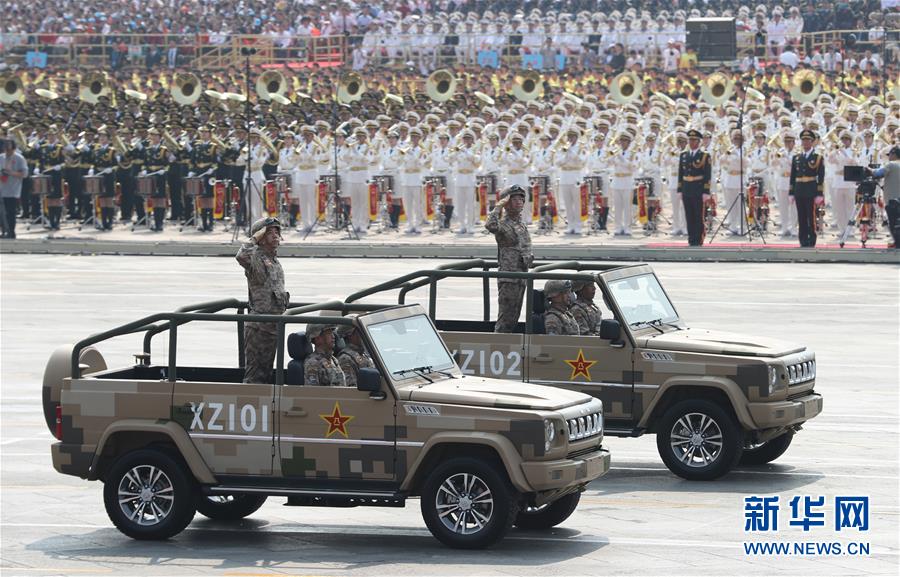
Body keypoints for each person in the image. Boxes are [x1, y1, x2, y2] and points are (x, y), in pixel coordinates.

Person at [235, 217, 289, 384]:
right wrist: (254, 239)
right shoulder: (256, 256)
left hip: (273, 326)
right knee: (255, 375)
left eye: (276, 232)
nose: (275, 235)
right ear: (261, 237)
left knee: (266, 373)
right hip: (259, 327)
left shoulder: (274, 261)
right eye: (269, 232)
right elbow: (240, 256)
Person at [486, 185, 533, 333]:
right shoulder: (503, 225)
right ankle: (498, 345)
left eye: (521, 198)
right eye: (513, 198)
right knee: (505, 320)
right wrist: (498, 206)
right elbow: (490, 225)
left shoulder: (520, 224)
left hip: (521, 276)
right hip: (509, 277)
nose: (518, 201)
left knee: (514, 318)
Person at [789, 129, 825, 248]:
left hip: (811, 189)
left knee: (811, 216)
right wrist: (791, 192)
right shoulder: (797, 158)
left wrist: (820, 193)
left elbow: (821, 176)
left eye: (808, 140)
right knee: (801, 216)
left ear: (812, 142)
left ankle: (811, 239)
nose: (805, 143)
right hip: (799, 189)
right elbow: (793, 176)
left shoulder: (818, 157)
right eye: (803, 140)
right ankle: (803, 239)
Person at [678, 129, 712, 246]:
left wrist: (706, 191)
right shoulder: (683, 155)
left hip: (698, 188)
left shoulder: (704, 156)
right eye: (690, 140)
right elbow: (680, 174)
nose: (692, 143)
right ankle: (691, 238)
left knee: (698, 215)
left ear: (699, 142)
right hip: (687, 188)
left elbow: (707, 174)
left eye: (694, 140)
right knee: (689, 215)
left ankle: (698, 239)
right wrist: (680, 189)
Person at [867, 146, 900, 248]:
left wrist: (867, 169)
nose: (889, 157)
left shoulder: (891, 164)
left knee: (893, 223)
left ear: (894, 154)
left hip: (893, 200)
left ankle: (897, 243)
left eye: (889, 154)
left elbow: (877, 173)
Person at [1, 139, 28, 239]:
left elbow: (25, 174)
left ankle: (11, 231)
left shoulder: (19, 158)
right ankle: (4, 231)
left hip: (12, 189)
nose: (8, 152)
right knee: (2, 213)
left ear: (14, 149)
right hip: (1, 188)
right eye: (6, 150)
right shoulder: (1, 158)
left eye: (10, 150)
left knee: (10, 212)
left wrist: (11, 173)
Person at [336, 317, 375, 387]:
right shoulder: (346, 358)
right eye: (360, 331)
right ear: (350, 335)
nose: (364, 334)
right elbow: (351, 388)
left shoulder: (363, 354)